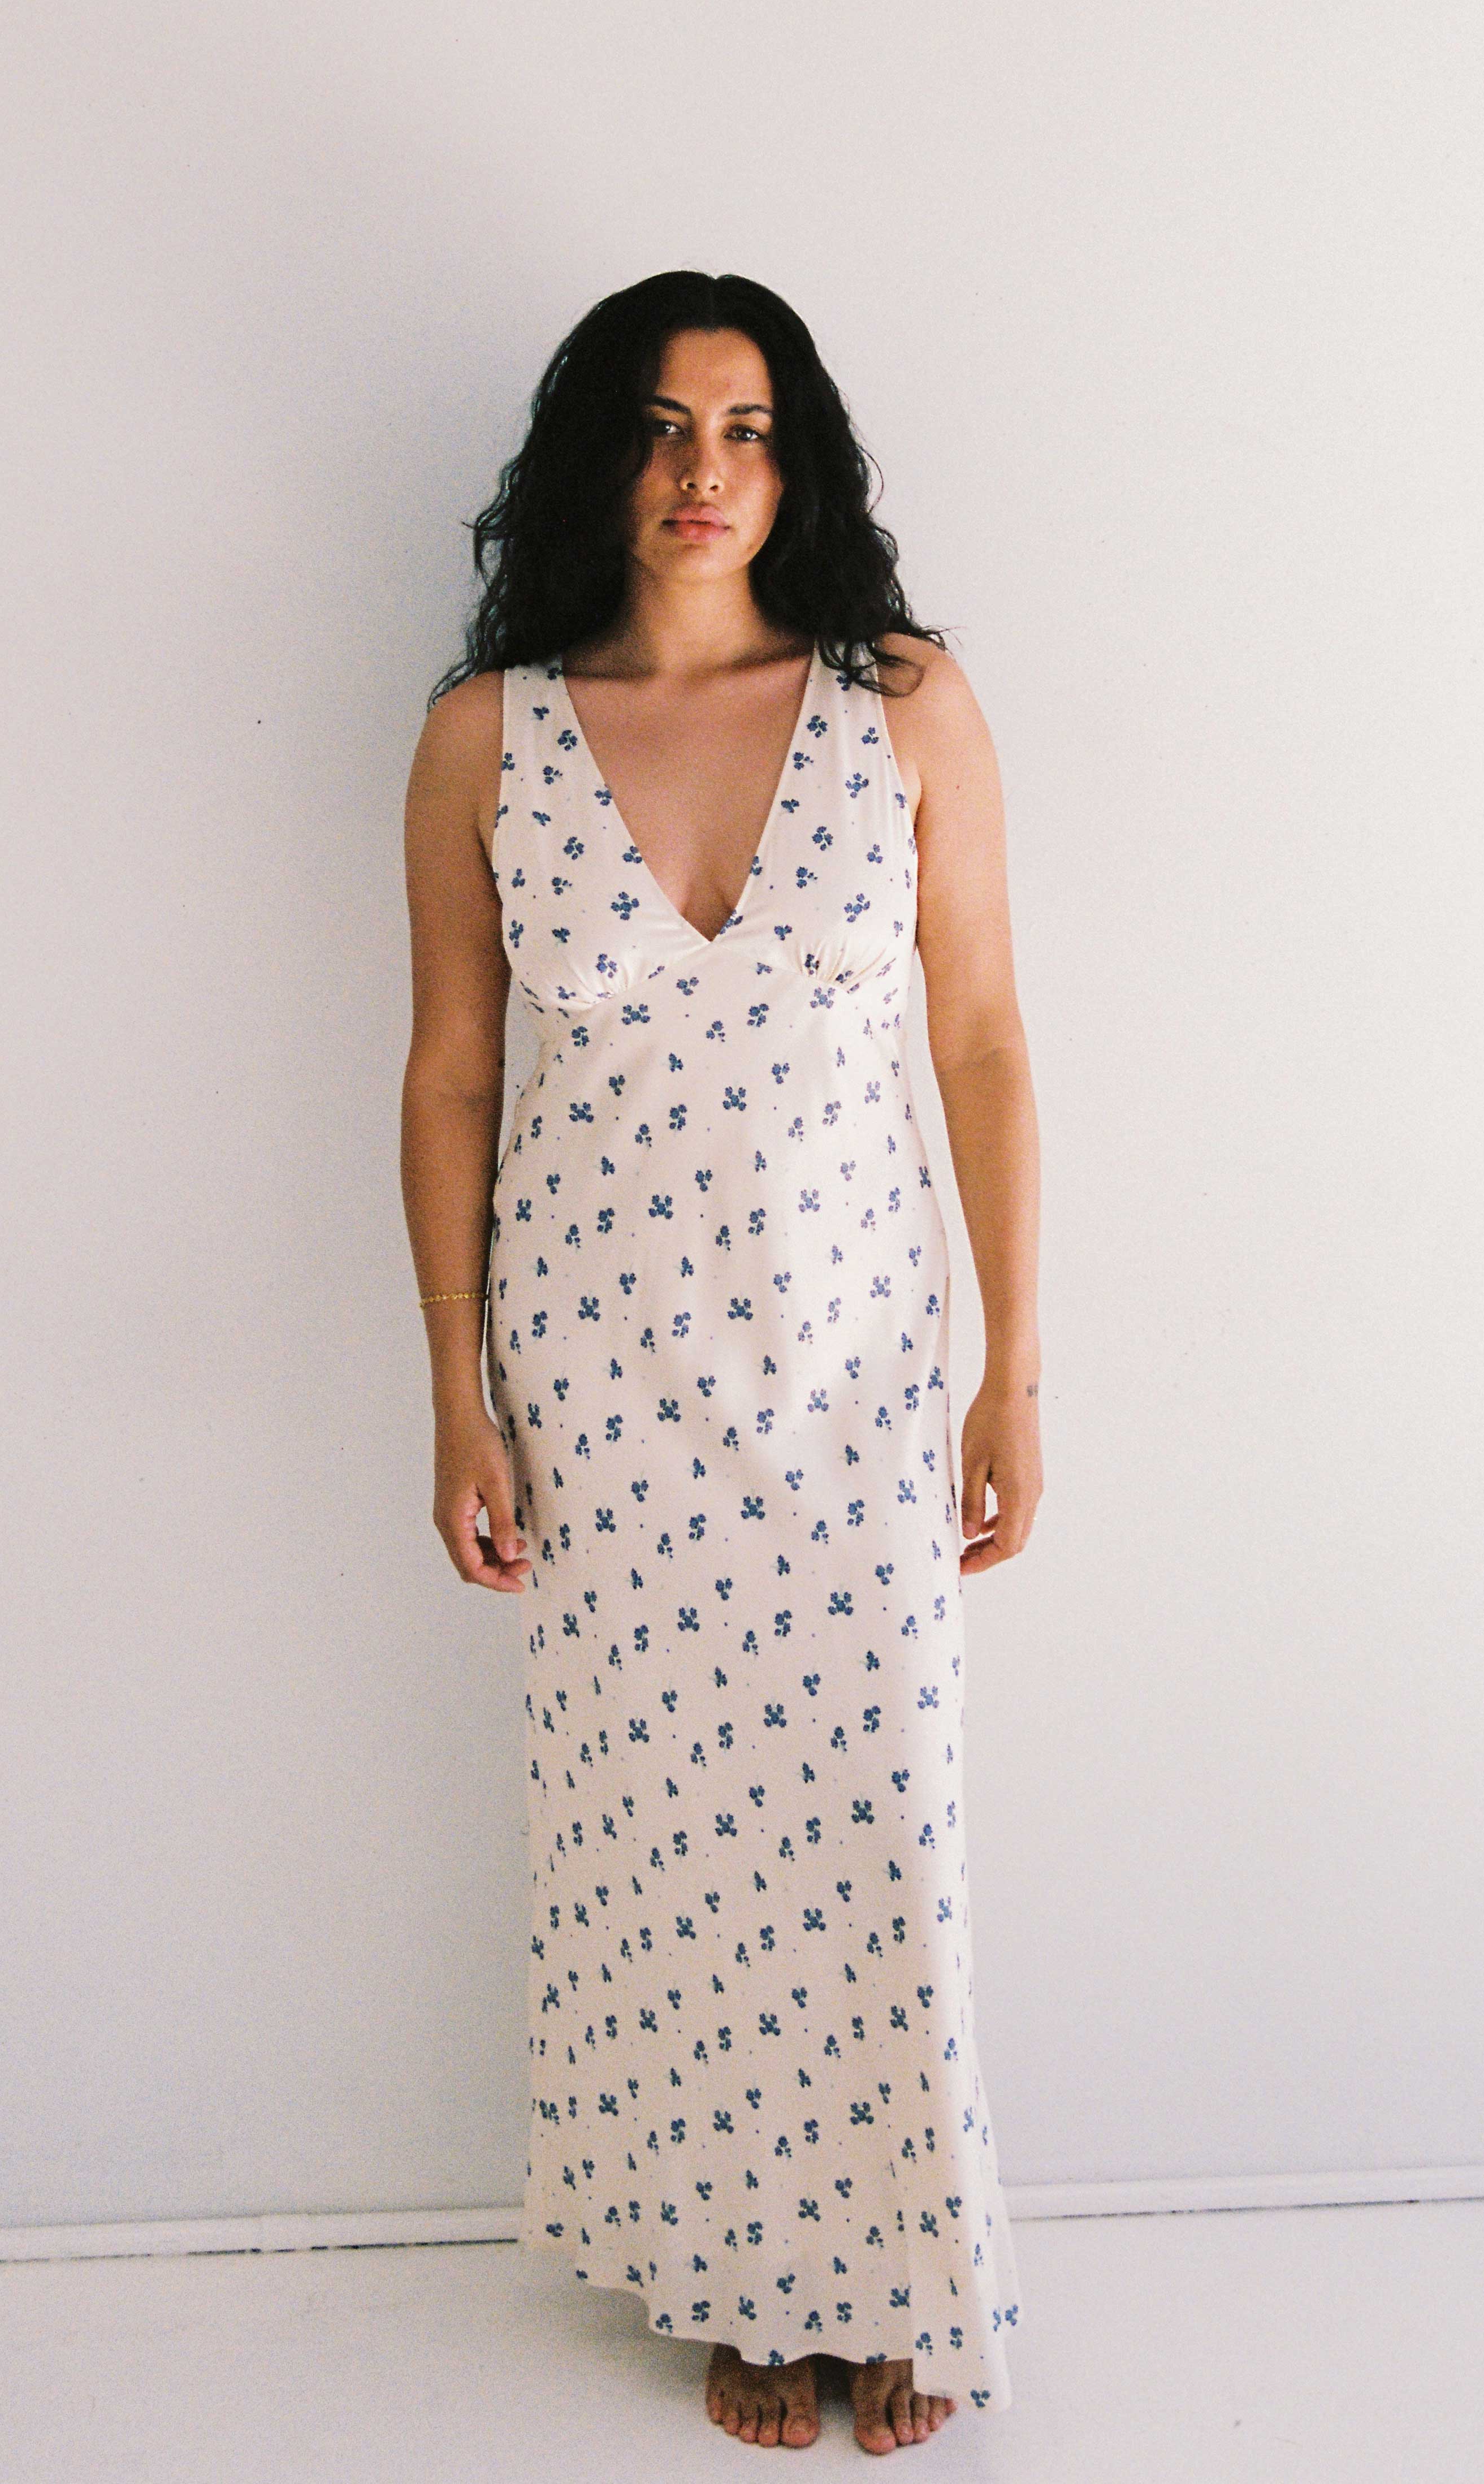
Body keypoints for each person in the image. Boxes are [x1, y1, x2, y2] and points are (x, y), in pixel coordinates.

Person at [401, 271, 1042, 2453]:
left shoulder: (905, 702)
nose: (703, 474)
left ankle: (888, 2267)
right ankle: (739, 2278)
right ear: (598, 456)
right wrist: (458, 1394)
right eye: (664, 428)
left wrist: (1011, 1370)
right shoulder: (487, 734)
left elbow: (977, 1038)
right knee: (668, 1852)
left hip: (858, 1363)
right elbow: (451, 1080)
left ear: (801, 462)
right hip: (599, 1384)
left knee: (871, 1823)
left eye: (749, 428)